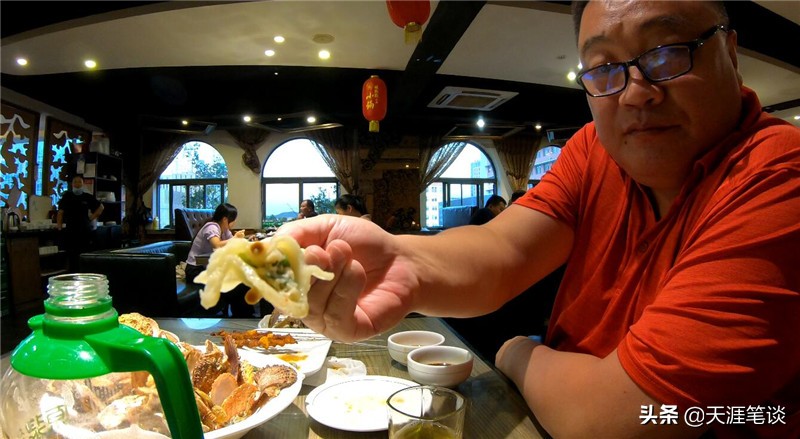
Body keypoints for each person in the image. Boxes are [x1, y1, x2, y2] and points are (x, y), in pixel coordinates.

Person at [278, 1, 800, 437]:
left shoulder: (781, 176)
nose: (637, 91)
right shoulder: (594, 149)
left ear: (730, 51)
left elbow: (614, 417)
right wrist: (400, 260)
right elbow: (503, 251)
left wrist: (517, 352)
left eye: (666, 54)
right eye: (603, 68)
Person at [185, 203, 257, 318]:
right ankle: (242, 315)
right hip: (195, 270)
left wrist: (247, 239)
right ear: (225, 219)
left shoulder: (225, 230)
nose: (235, 223)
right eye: (233, 220)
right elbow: (217, 245)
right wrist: (235, 238)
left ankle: (245, 314)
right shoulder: (211, 227)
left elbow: (231, 245)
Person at [57, 175, 103, 272]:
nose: (77, 184)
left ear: (83, 184)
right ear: (72, 184)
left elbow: (101, 207)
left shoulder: (87, 197)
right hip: (71, 231)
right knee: (72, 256)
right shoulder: (67, 197)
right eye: (75, 182)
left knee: (84, 255)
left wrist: (91, 218)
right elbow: (60, 213)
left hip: (84, 231)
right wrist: (59, 226)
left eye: (79, 182)